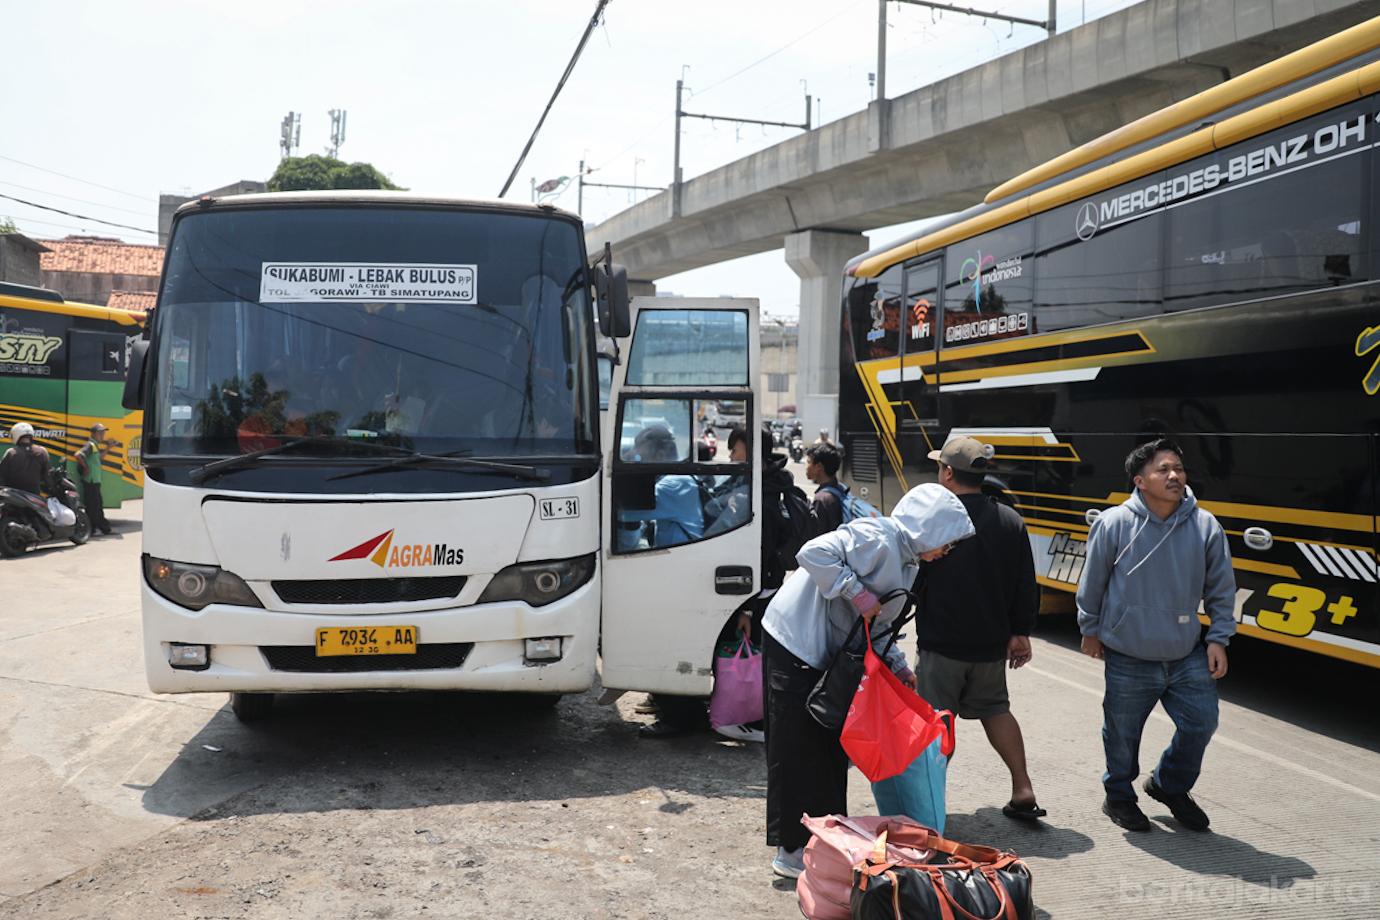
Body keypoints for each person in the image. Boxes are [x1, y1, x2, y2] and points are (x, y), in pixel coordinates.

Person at [761, 483, 974, 879]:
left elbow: (878, 625)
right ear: (929, 529)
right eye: (947, 542)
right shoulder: (878, 536)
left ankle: (819, 842)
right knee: (798, 749)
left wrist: (895, 663)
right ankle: (791, 849)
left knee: (827, 749)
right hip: (795, 643)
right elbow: (813, 553)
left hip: (827, 651)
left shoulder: (909, 561)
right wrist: (856, 592)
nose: (947, 552)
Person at [1077, 439, 1236, 833]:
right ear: (1140, 480)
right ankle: (1118, 795)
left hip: (1186, 653)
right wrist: (1090, 629)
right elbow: (1093, 581)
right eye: (1163, 469)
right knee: (1122, 732)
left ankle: (1169, 785)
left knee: (1201, 723)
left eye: (1178, 469)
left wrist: (1218, 638)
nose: (1174, 476)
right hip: (1128, 653)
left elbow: (1221, 587)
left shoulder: (1205, 525)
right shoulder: (1114, 523)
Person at [918, 436, 1042, 821]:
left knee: (938, 720)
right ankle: (1023, 787)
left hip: (942, 644)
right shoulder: (1009, 518)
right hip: (991, 644)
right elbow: (1026, 582)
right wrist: (1020, 631)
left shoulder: (935, 518)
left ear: (949, 473)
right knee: (996, 709)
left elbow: (913, 577)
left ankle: (929, 803)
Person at [74, 423, 114, 536]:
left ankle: (98, 528)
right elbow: (78, 455)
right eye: (101, 433)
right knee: (93, 506)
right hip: (90, 481)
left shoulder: (95, 446)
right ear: (95, 434)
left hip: (95, 481)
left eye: (103, 433)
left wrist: (108, 448)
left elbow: (99, 458)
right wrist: (86, 468)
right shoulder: (90, 445)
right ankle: (97, 528)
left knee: (96, 505)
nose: (103, 435)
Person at [803, 442, 846, 536]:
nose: (805, 466)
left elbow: (817, 538)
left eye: (809, 462)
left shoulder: (822, 499)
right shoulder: (840, 488)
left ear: (819, 467)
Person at [0, 422, 50, 495]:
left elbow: (2, 476)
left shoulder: (11, 452)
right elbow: (47, 476)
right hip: (34, 496)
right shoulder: (42, 452)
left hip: (15, 496)